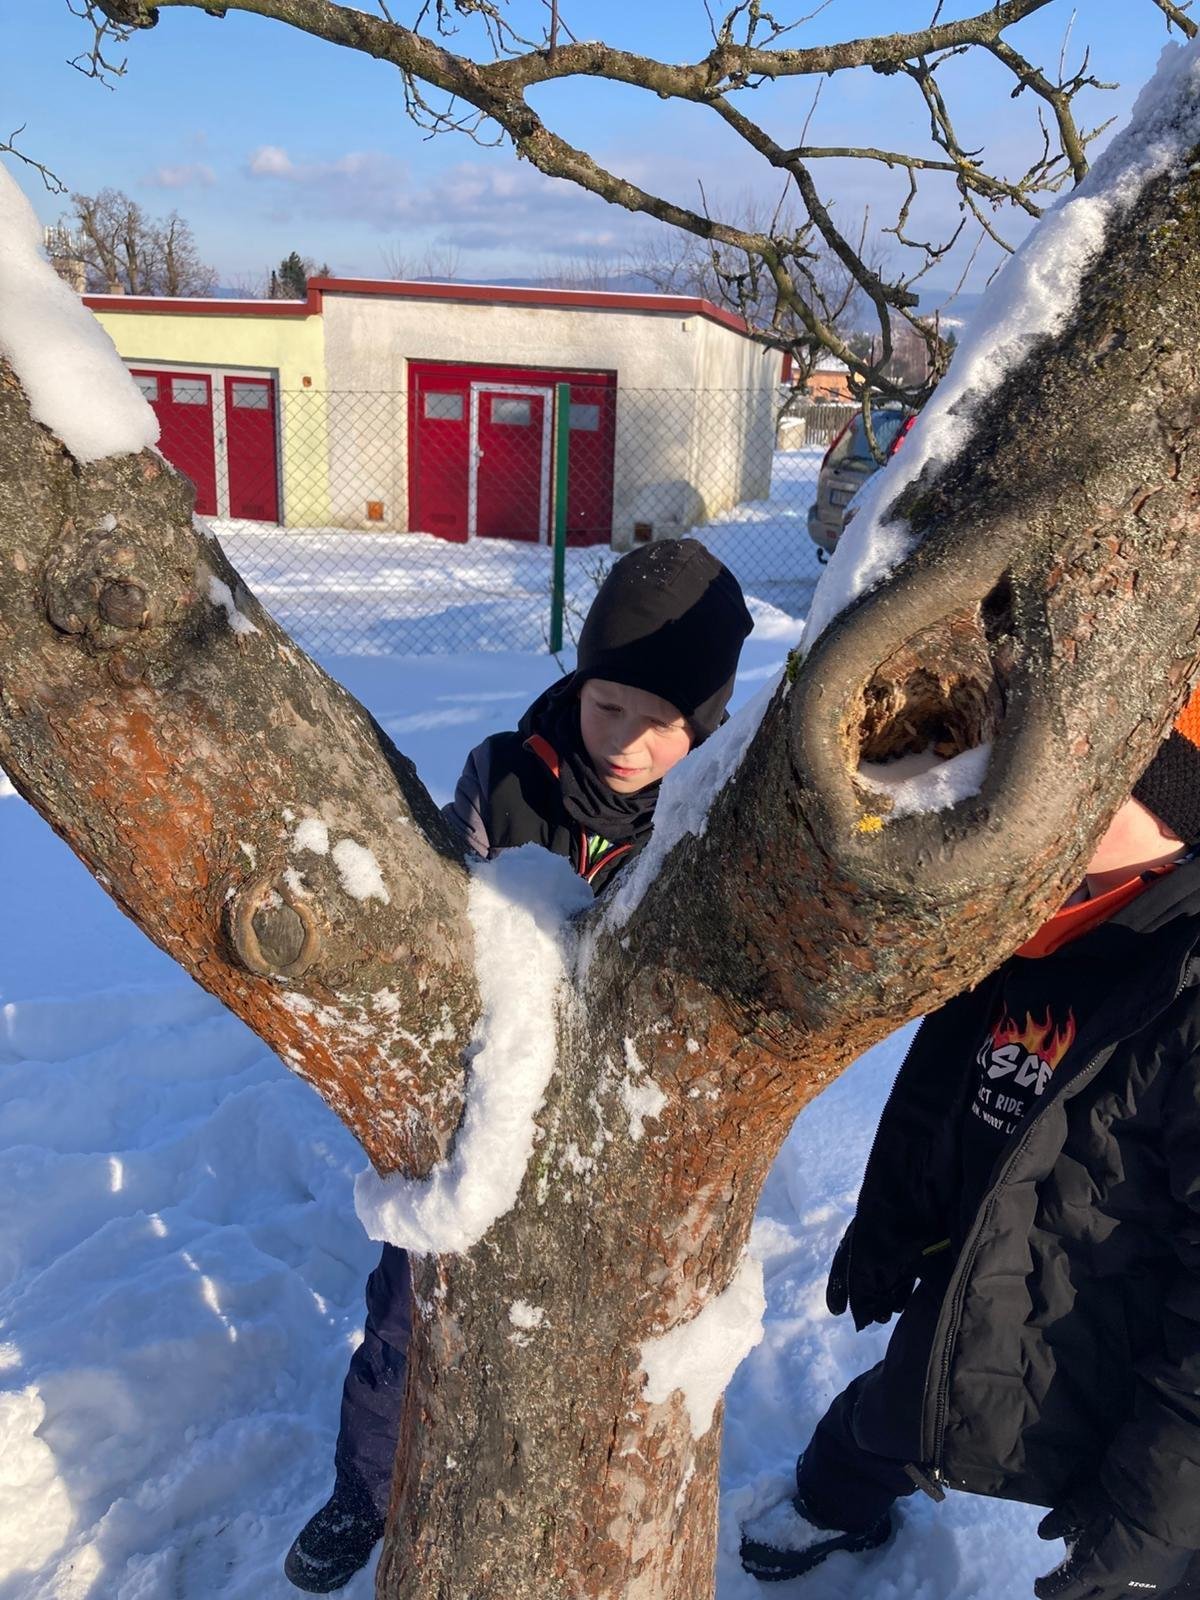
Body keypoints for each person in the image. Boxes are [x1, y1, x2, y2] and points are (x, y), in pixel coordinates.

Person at [284, 537, 754, 1594]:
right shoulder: (506, 773)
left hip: (617, 1133)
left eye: (663, 722)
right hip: (478, 1107)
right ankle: (366, 1488)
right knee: (407, 1316)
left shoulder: (706, 822)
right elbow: (443, 920)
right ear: (579, 683)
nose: (626, 741)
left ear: (706, 726)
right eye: (607, 705)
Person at [740, 690, 1200, 1598]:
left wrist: (1155, 1522)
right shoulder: (1027, 921)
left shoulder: (1182, 983)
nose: (1046, 802)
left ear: (1177, 810)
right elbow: (939, 1091)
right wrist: (894, 1221)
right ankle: (830, 1501)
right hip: (982, 1287)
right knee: (894, 1412)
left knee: (1149, 1553)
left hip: (1131, 1365)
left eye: (1098, 784)